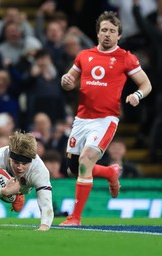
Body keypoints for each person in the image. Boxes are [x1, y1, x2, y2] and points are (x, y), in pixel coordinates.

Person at [59, 11, 152, 226]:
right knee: (73, 170)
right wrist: (66, 81)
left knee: (85, 161)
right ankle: (110, 172)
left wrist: (137, 95)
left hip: (105, 120)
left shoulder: (125, 58)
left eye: (112, 31)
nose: (107, 34)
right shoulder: (84, 55)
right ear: (98, 33)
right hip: (82, 119)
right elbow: (70, 81)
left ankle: (75, 217)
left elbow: (146, 84)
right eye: (104, 30)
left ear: (119, 35)